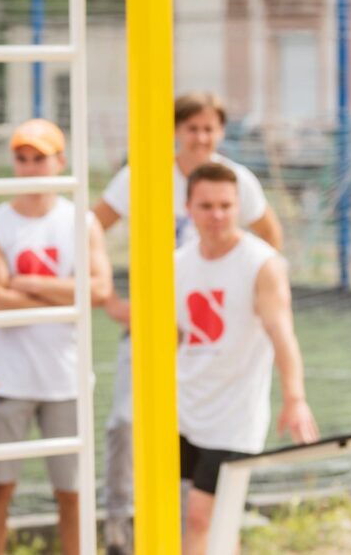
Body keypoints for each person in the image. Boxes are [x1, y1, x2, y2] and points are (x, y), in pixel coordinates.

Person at [92, 91, 284, 553]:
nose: (201, 137)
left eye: (209, 128)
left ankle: (213, 525)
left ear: (221, 132)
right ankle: (120, 523)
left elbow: (269, 238)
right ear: (175, 132)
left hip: (210, 329)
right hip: (158, 324)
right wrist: (112, 299)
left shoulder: (234, 179)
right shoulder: (143, 176)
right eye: (191, 128)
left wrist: (263, 289)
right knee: (126, 421)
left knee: (216, 447)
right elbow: (92, 224)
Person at [0, 119, 113, 555]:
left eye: (41, 158)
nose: (32, 167)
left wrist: (27, 283)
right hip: (10, 378)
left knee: (72, 494)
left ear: (61, 161)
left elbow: (100, 289)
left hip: (66, 378)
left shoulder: (81, 221)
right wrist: (66, 293)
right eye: (23, 158)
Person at [175, 162, 317, 555]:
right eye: (206, 206)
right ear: (188, 207)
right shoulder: (178, 264)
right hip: (186, 409)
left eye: (225, 205)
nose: (217, 215)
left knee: (202, 518)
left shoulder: (261, 263)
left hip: (235, 417)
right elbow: (174, 336)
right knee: (215, 522)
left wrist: (295, 395)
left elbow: (281, 332)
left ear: (239, 206)